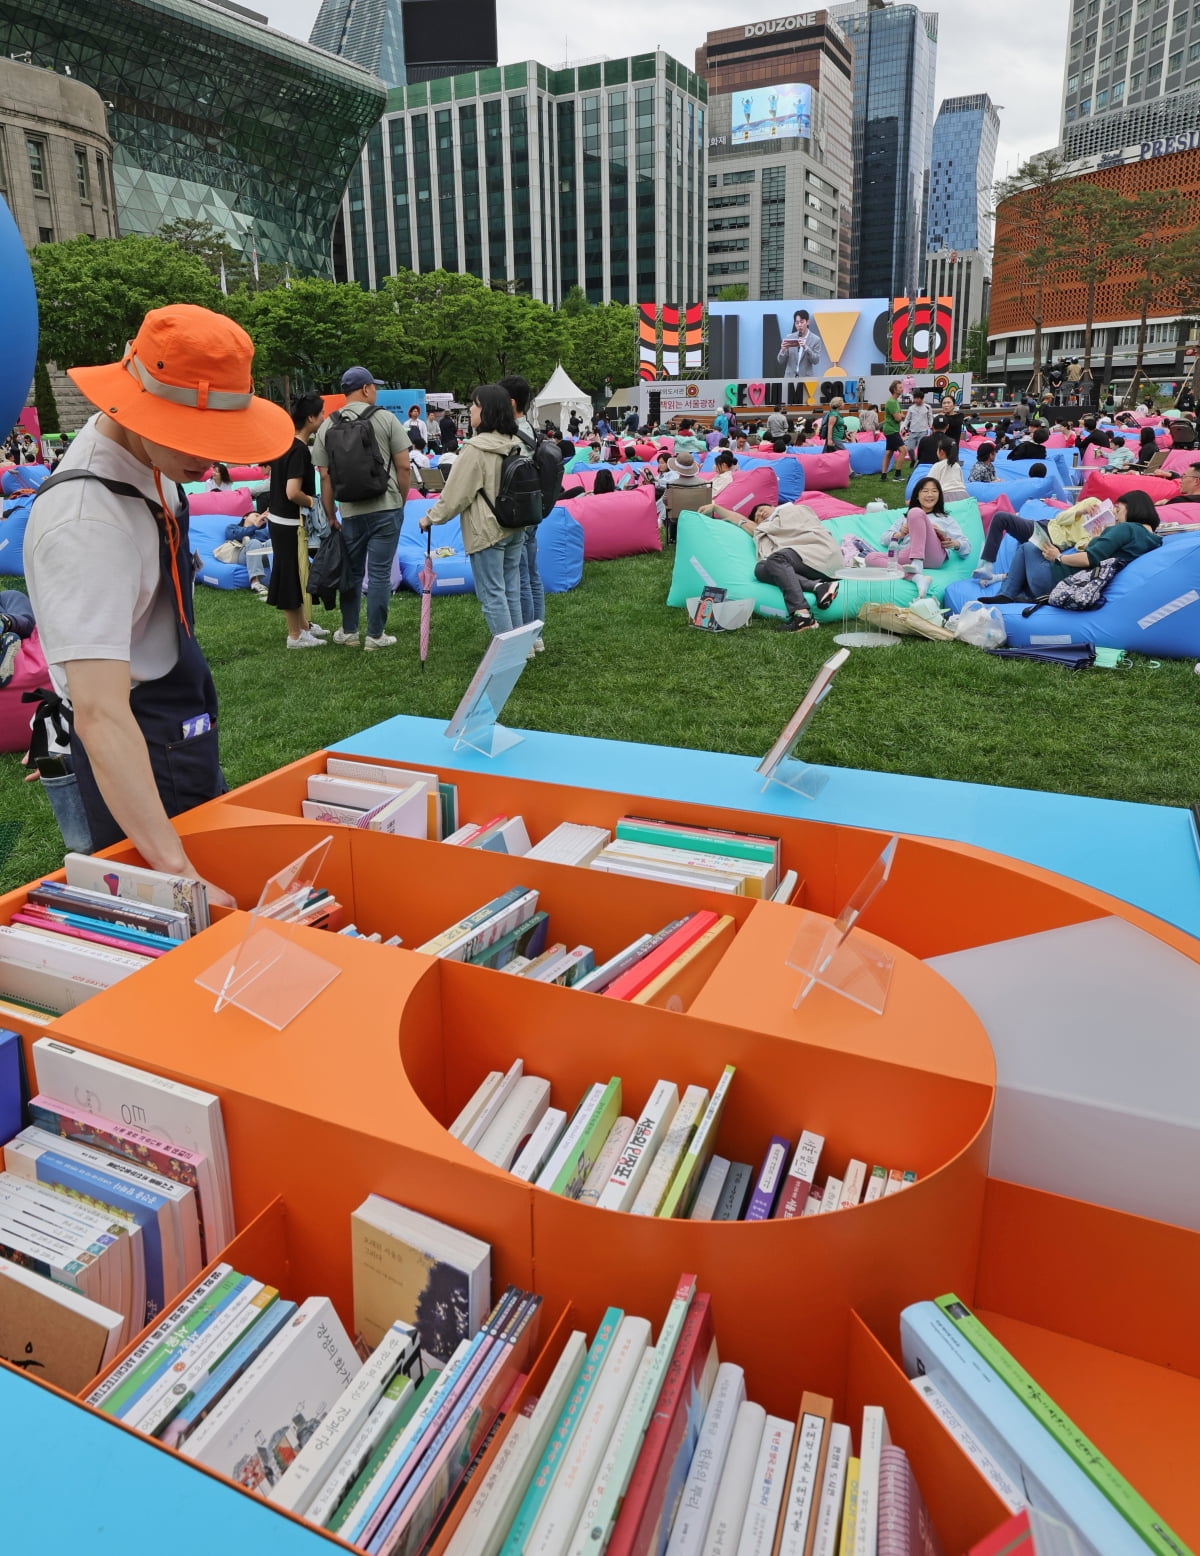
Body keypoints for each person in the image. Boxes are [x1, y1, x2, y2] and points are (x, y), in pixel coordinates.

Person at [24, 302, 292, 882]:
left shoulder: (153, 458)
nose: (210, 457)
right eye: (194, 437)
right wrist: (177, 871)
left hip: (179, 719)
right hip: (133, 740)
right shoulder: (85, 520)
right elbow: (99, 711)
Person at [313, 366, 412, 650]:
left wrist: (331, 513)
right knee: (380, 572)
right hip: (386, 506)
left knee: (352, 572)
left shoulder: (328, 425)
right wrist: (400, 500)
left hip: (351, 510)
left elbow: (325, 476)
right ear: (367, 389)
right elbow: (404, 466)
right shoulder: (386, 418)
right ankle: (376, 635)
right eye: (375, 386)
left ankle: (350, 630)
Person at [420, 384, 525, 640]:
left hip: (487, 530)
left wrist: (429, 518)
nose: (470, 408)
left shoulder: (476, 449)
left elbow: (456, 494)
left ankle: (506, 651)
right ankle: (523, 645)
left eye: (475, 405)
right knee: (510, 589)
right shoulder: (513, 442)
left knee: (492, 594)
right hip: (514, 525)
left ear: (486, 411)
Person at [982, 490, 1162, 604]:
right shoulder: (1153, 539)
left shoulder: (1125, 529)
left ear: (1133, 509)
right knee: (1029, 545)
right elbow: (1100, 554)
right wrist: (1097, 536)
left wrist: (1058, 557)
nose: (1116, 516)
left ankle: (1008, 592)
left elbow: (1089, 558)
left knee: (1028, 548)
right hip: (1053, 541)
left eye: (1119, 510)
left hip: (1058, 580)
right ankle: (1012, 591)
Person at [708, 499, 841, 631]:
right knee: (760, 569)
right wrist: (716, 508)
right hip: (807, 562)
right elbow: (748, 524)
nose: (761, 514)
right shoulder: (767, 528)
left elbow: (757, 526)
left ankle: (803, 616)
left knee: (776, 558)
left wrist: (752, 523)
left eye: (762, 509)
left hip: (820, 553)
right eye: (757, 517)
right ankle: (819, 587)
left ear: (773, 506)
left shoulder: (792, 510)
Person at [267, 392, 327, 649]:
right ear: (311, 418)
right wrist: (313, 503)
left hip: (279, 519)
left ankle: (303, 626)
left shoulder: (285, 444)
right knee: (290, 574)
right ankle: (295, 635)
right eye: (321, 413)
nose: (324, 418)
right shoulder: (299, 451)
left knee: (295, 572)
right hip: (288, 522)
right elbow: (292, 492)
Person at [499, 374, 547, 655]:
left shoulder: (510, 433)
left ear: (510, 402)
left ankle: (526, 634)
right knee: (531, 573)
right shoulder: (530, 428)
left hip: (517, 512)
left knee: (518, 576)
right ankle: (536, 633)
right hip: (532, 508)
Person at [864, 478, 970, 593]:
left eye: (934, 491)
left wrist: (954, 544)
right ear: (917, 495)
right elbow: (884, 539)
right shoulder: (903, 519)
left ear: (939, 495)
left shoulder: (946, 519)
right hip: (908, 555)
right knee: (870, 558)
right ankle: (916, 578)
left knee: (915, 512)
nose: (930, 495)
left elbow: (966, 548)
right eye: (925, 491)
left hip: (933, 555)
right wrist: (900, 534)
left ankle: (917, 561)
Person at [972, 493, 1097, 585]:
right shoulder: (1092, 502)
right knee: (1001, 517)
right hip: (1043, 526)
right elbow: (1060, 518)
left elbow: (1080, 546)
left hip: (1051, 544)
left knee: (1034, 569)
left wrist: (1093, 538)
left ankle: (998, 578)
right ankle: (988, 567)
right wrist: (1081, 512)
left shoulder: (1103, 530)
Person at [776, 309, 823, 378]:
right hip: (790, 378)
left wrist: (806, 347)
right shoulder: (790, 337)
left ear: (807, 322)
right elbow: (780, 361)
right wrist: (782, 350)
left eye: (802, 322)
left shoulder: (815, 339)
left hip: (806, 379)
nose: (799, 325)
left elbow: (816, 360)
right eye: (797, 323)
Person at [881, 381, 905, 482]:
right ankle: (897, 475)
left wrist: (901, 415)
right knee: (903, 451)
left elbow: (900, 415)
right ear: (894, 390)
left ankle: (883, 476)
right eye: (900, 387)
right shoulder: (891, 402)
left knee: (889, 453)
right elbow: (898, 418)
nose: (902, 389)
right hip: (891, 430)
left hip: (890, 429)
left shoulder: (895, 402)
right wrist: (901, 416)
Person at [901, 391, 933, 468]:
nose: (916, 400)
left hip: (923, 431)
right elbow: (907, 419)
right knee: (910, 449)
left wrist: (931, 427)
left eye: (918, 398)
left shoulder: (927, 407)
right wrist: (903, 427)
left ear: (922, 399)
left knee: (920, 449)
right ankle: (913, 459)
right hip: (913, 431)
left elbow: (930, 418)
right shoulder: (911, 408)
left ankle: (919, 464)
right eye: (915, 398)